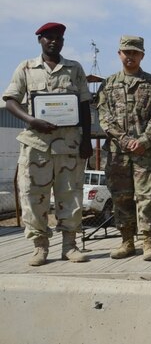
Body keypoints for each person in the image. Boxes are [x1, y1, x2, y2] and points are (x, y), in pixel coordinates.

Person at [2, 22, 92, 266]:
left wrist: (87, 140)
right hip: (36, 145)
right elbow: (10, 100)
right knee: (33, 196)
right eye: (48, 38)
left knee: (71, 195)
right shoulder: (27, 68)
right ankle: (39, 247)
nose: (54, 42)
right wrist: (31, 120)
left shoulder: (74, 69)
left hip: (69, 146)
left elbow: (84, 105)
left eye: (58, 38)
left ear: (63, 41)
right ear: (39, 40)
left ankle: (69, 246)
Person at [98, 36, 151, 261]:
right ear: (119, 54)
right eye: (126, 52)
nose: (130, 56)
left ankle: (148, 242)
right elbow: (104, 117)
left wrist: (144, 141)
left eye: (135, 52)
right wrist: (125, 140)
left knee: (148, 197)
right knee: (121, 198)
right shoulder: (108, 84)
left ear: (142, 55)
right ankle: (127, 241)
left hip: (146, 153)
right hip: (118, 154)